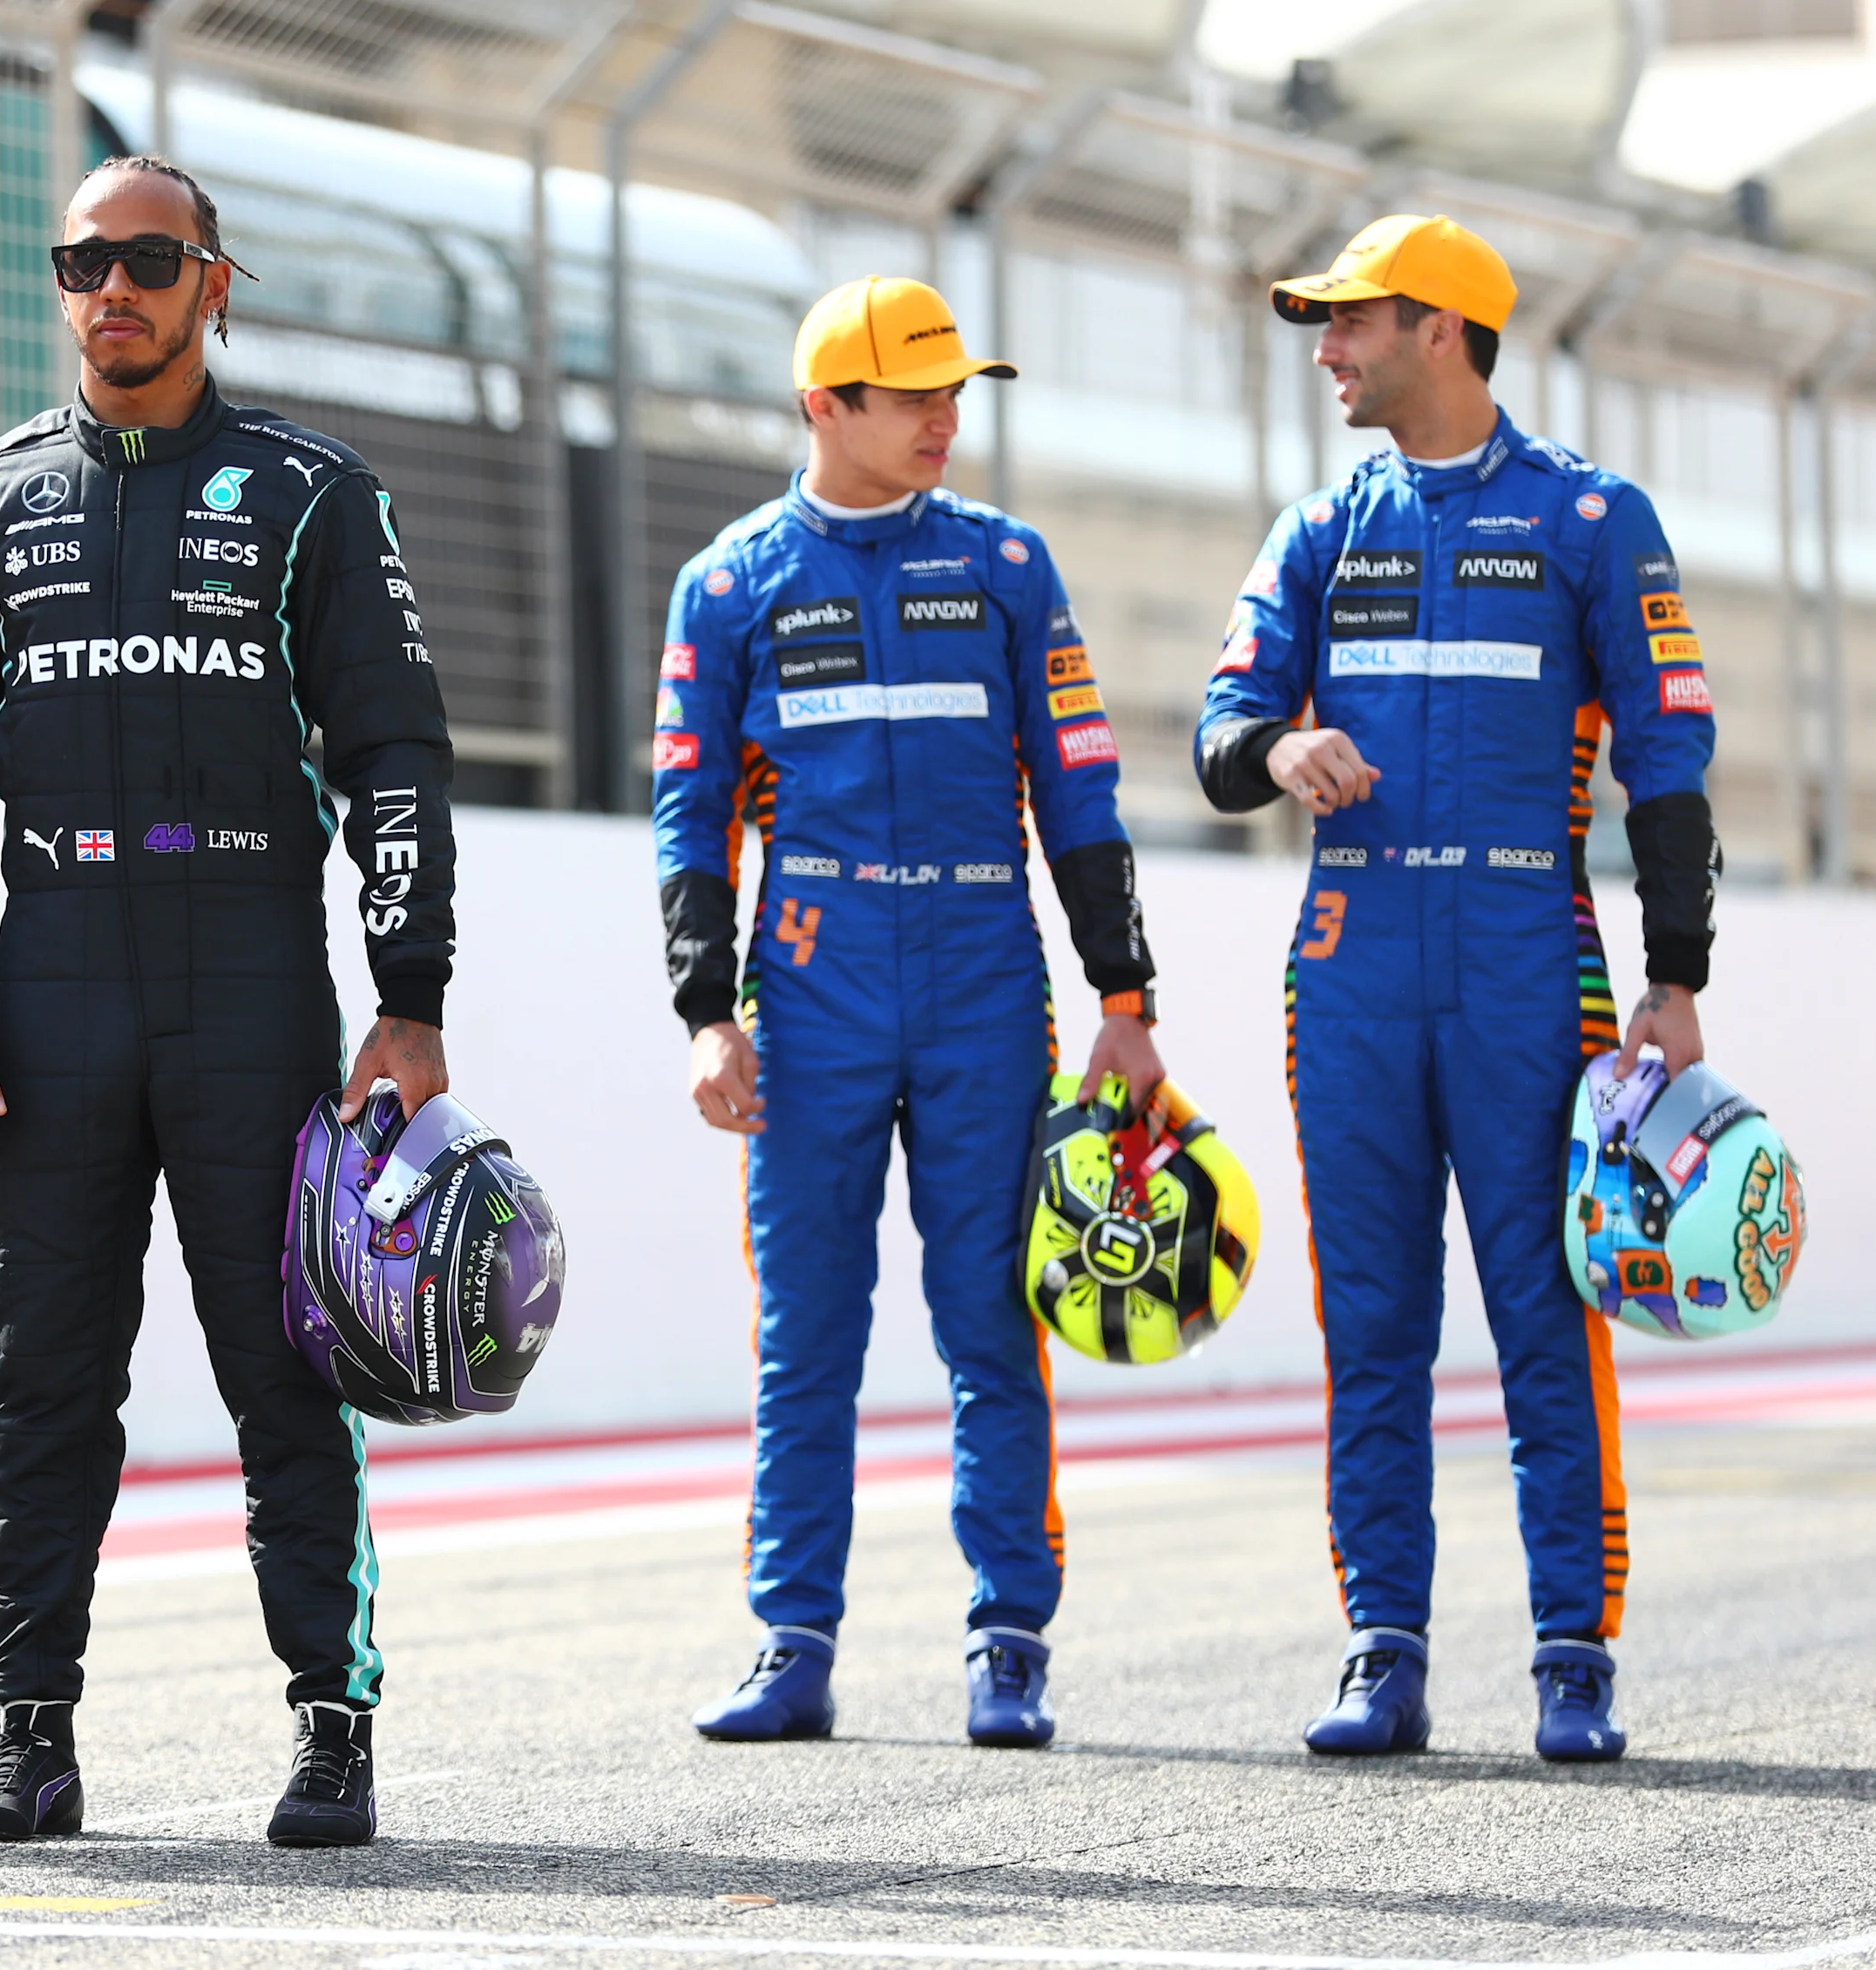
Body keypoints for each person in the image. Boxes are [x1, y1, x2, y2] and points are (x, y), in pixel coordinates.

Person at [0, 156, 453, 1849]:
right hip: (47, 963)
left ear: (213, 281)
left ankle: (331, 1723)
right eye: (81, 259)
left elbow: (393, 750)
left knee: (285, 1361)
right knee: (47, 1369)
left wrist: (406, 993)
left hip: (246, 951)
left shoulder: (309, 491)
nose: (108, 287)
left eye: (145, 258)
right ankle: (28, 1730)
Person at [1195, 215, 1717, 1762]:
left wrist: (1676, 979)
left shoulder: (1593, 519)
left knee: (1551, 1317)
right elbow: (1223, 727)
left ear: (1440, 327)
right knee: (1371, 1326)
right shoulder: (1316, 528)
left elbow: (1670, 765)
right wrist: (1276, 748)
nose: (1326, 349)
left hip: (1526, 971)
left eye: (1350, 321)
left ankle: (1573, 1656)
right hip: (1349, 972)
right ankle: (1383, 1654)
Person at [654, 277, 1164, 1749]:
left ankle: (1011, 1641)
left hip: (984, 972)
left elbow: (1081, 792)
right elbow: (689, 816)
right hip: (807, 984)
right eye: (914, 393)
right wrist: (705, 1013)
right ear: (828, 407)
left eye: (959, 391)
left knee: (994, 1322)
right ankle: (789, 1643)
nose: (948, 417)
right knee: (806, 1335)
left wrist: (1123, 1000)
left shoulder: (1010, 566)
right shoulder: (731, 581)